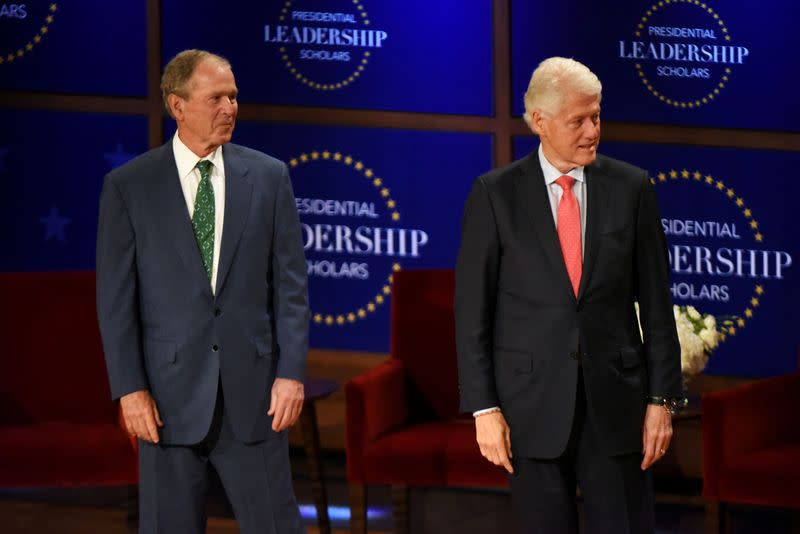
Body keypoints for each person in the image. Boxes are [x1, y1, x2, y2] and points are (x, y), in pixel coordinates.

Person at [455, 57, 684, 533]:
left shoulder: (632, 187)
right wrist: (484, 408)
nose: (591, 131)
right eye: (577, 120)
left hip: (617, 408)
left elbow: (659, 307)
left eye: (596, 117)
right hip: (530, 408)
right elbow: (472, 314)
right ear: (540, 122)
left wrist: (662, 401)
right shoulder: (495, 195)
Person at [96, 49, 309, 534]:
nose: (230, 108)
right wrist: (130, 389)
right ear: (178, 106)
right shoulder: (130, 186)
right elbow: (116, 302)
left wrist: (291, 373)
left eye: (234, 97)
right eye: (216, 98)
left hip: (255, 397)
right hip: (167, 404)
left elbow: (292, 288)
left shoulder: (269, 177)